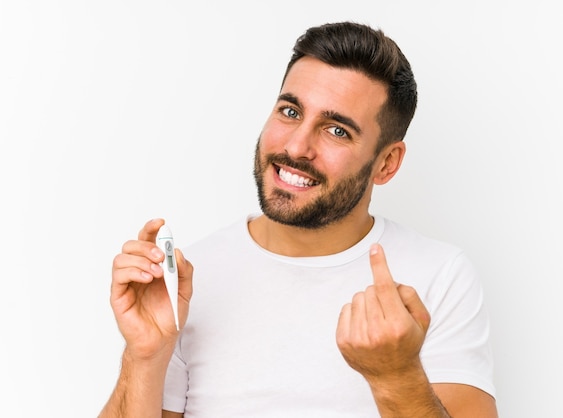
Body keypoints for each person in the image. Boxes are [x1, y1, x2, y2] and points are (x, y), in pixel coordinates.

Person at [99, 21, 498, 417]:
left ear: (387, 163)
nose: (295, 146)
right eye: (290, 111)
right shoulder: (188, 281)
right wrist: (145, 356)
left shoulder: (439, 276)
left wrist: (396, 376)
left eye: (337, 130)